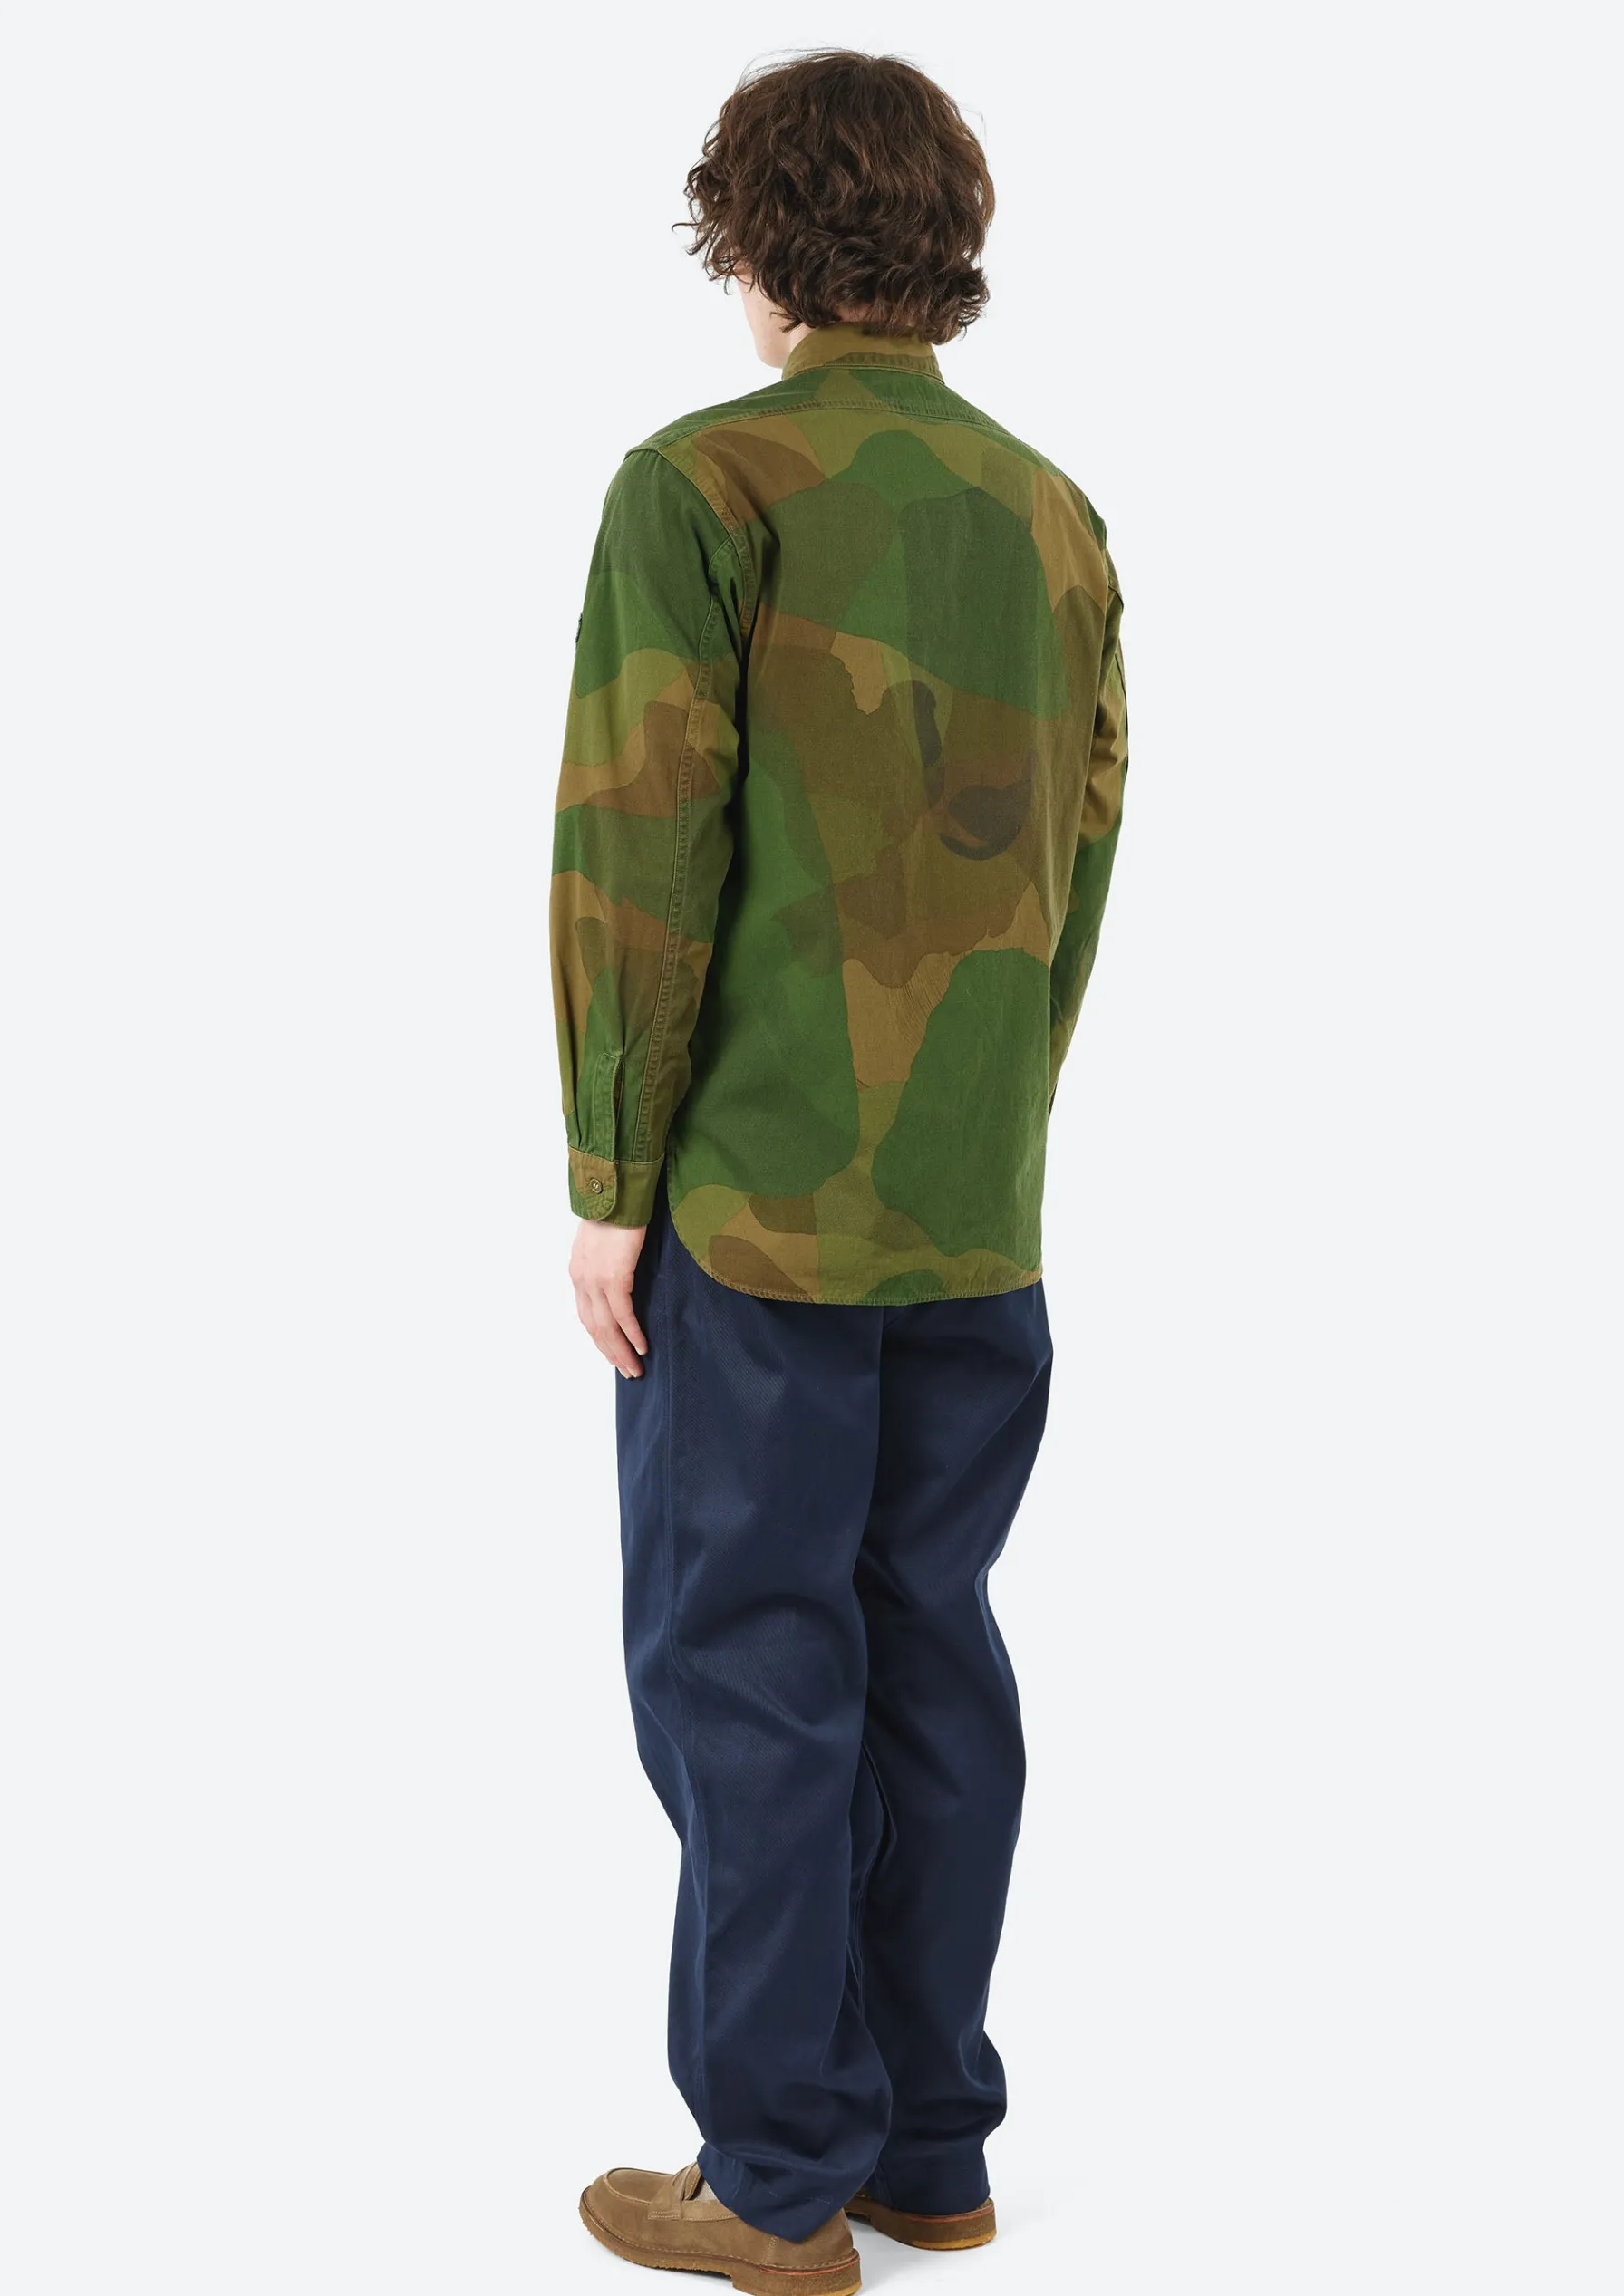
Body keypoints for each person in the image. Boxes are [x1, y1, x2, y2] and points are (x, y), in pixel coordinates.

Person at [551, 50, 1126, 2295]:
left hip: (759, 1211)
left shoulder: (701, 486)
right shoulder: (1050, 515)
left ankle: (779, 2179)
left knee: (747, 1669)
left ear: (754, 237)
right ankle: (929, 2145)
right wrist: (989, 1119)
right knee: (925, 1648)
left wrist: (612, 1171)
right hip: (974, 1205)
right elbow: (1076, 856)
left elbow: (638, 852)